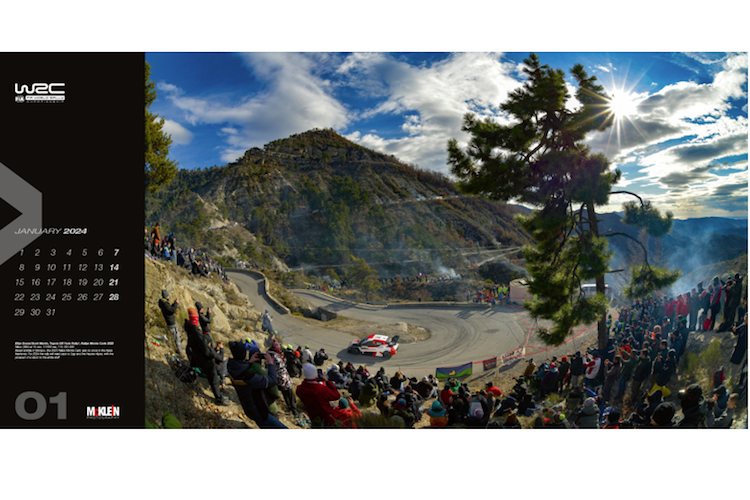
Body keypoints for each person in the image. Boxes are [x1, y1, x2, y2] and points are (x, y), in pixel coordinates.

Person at [227, 341, 287, 428]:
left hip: (248, 407)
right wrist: (270, 363)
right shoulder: (249, 377)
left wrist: (249, 362)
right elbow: (272, 381)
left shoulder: (231, 367)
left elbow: (241, 371)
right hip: (259, 411)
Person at [184, 307, 228, 406]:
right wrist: (218, 351)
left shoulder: (189, 329)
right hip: (205, 362)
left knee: (214, 376)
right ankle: (219, 398)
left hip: (198, 359)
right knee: (214, 380)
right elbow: (207, 352)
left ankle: (219, 394)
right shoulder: (196, 333)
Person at [268, 338, 299, 418]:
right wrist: (285, 381)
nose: (280, 347)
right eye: (278, 346)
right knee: (291, 396)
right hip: (283, 381)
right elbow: (281, 371)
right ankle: (295, 412)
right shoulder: (277, 358)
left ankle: (289, 408)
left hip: (276, 379)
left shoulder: (268, 355)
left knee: (285, 395)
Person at [157, 290, 183, 356]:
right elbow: (172, 310)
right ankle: (179, 351)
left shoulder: (163, 303)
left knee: (172, 336)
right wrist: (176, 303)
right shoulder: (165, 304)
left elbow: (170, 309)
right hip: (171, 323)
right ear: (166, 296)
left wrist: (174, 304)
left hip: (169, 323)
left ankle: (165, 341)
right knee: (177, 338)